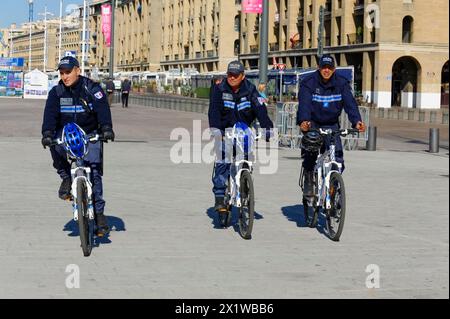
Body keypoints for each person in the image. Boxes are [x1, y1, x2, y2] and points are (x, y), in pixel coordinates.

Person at [41, 56, 115, 236]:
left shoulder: (92, 88)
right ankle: (66, 177)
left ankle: (99, 215)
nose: (65, 76)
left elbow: (103, 108)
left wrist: (106, 128)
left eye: (68, 72)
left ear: (77, 71)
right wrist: (47, 133)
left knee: (94, 173)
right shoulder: (56, 92)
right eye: (62, 73)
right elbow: (50, 115)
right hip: (66, 134)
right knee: (54, 144)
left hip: (90, 135)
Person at [208, 60, 274, 213]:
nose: (232, 78)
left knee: (246, 158)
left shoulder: (250, 90)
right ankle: (219, 196)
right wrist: (217, 131)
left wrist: (267, 128)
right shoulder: (219, 89)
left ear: (243, 76)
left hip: (244, 130)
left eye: (235, 75)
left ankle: (244, 182)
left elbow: (260, 109)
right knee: (223, 158)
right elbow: (214, 111)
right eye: (230, 74)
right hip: (225, 131)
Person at [297, 54, 366, 196]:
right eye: (324, 67)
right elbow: (304, 104)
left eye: (329, 68)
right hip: (313, 123)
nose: (326, 70)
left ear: (334, 69)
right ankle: (309, 179)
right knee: (311, 151)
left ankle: (334, 188)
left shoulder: (341, 83)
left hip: (331, 124)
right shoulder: (309, 82)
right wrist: (304, 121)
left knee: (338, 158)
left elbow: (350, 104)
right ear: (319, 68)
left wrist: (356, 121)